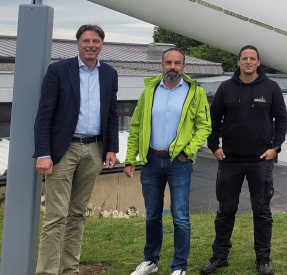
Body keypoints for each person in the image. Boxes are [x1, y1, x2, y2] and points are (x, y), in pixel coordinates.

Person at [33, 24, 119, 275]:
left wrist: (111, 148)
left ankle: (69, 269)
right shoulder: (58, 70)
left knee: (78, 214)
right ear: (78, 43)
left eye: (96, 41)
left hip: (94, 150)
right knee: (55, 216)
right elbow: (44, 116)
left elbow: (111, 115)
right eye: (86, 40)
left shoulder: (110, 74)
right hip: (63, 151)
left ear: (102, 44)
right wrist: (44, 153)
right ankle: (47, 271)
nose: (91, 45)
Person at [202, 45, 287, 275]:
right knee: (225, 211)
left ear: (258, 62)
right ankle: (219, 257)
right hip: (229, 161)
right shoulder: (226, 88)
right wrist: (214, 146)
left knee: (261, 211)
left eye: (252, 58)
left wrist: (276, 148)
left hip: (261, 161)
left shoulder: (271, 88)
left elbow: (281, 120)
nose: (248, 61)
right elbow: (214, 119)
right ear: (238, 62)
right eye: (244, 58)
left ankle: (263, 260)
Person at [124, 48, 212, 275]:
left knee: (180, 217)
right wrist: (129, 159)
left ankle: (179, 266)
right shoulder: (150, 90)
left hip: (179, 164)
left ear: (184, 66)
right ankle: (150, 261)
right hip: (151, 161)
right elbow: (136, 127)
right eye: (168, 62)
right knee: (153, 214)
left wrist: (189, 151)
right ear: (162, 65)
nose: (172, 67)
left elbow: (204, 127)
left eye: (177, 63)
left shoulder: (195, 92)